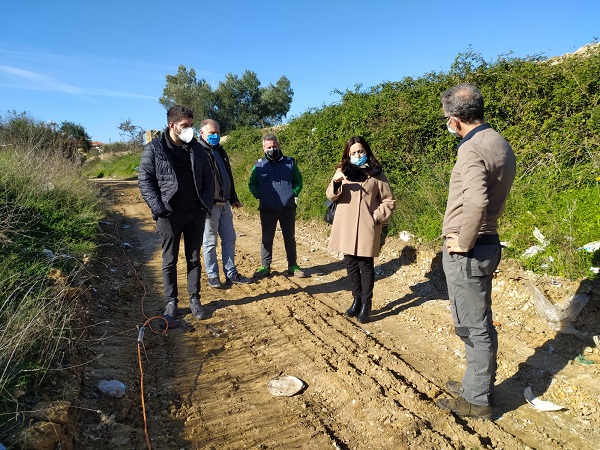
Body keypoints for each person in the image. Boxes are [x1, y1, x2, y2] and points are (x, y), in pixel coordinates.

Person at [435, 84, 516, 420]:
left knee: (473, 326)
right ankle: (473, 384)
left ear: (455, 119)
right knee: (476, 321)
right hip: (488, 242)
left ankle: (478, 399)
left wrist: (462, 242)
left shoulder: (470, 149)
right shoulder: (497, 140)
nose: (447, 125)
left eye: (446, 119)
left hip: (470, 249)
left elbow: (477, 201)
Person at [138, 105, 214, 324]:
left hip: (196, 213)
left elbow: (208, 179)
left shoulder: (197, 149)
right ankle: (171, 303)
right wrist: (159, 209)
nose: (189, 129)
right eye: (185, 125)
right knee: (169, 260)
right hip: (169, 215)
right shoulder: (154, 149)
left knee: (193, 258)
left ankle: (194, 299)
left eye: (191, 124)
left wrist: (205, 205)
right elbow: (145, 181)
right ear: (172, 125)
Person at [326, 136, 395, 324]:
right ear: (348, 155)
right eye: (353, 152)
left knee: (365, 265)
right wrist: (335, 181)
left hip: (367, 226)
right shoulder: (342, 171)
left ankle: (366, 304)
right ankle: (356, 300)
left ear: (366, 152)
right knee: (350, 264)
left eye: (360, 151)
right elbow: (331, 196)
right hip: (346, 225)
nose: (357, 155)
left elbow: (388, 200)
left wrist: (377, 217)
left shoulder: (377, 174)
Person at [198, 119, 251, 289]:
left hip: (224, 203)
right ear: (201, 133)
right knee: (210, 242)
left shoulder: (220, 150)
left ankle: (231, 273)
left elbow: (227, 175)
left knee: (229, 239)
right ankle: (213, 276)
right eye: (211, 133)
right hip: (209, 205)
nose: (215, 136)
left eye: (217, 133)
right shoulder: (198, 152)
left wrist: (233, 197)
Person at [248, 134, 306, 278]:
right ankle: (265, 266)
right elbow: (252, 184)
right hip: (267, 208)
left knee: (289, 237)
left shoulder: (290, 163)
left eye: (274, 146)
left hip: (287, 208)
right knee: (267, 238)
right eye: (269, 147)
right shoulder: (259, 165)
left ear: (279, 146)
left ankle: (293, 265)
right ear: (263, 148)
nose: (272, 149)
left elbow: (298, 181)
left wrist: (292, 193)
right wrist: (260, 195)